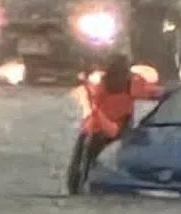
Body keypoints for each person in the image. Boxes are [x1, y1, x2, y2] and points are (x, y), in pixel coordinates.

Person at [67, 55, 165, 194]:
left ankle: (78, 188)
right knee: (87, 160)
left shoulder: (103, 84)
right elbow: (153, 93)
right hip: (109, 130)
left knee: (84, 161)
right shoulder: (129, 83)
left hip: (97, 129)